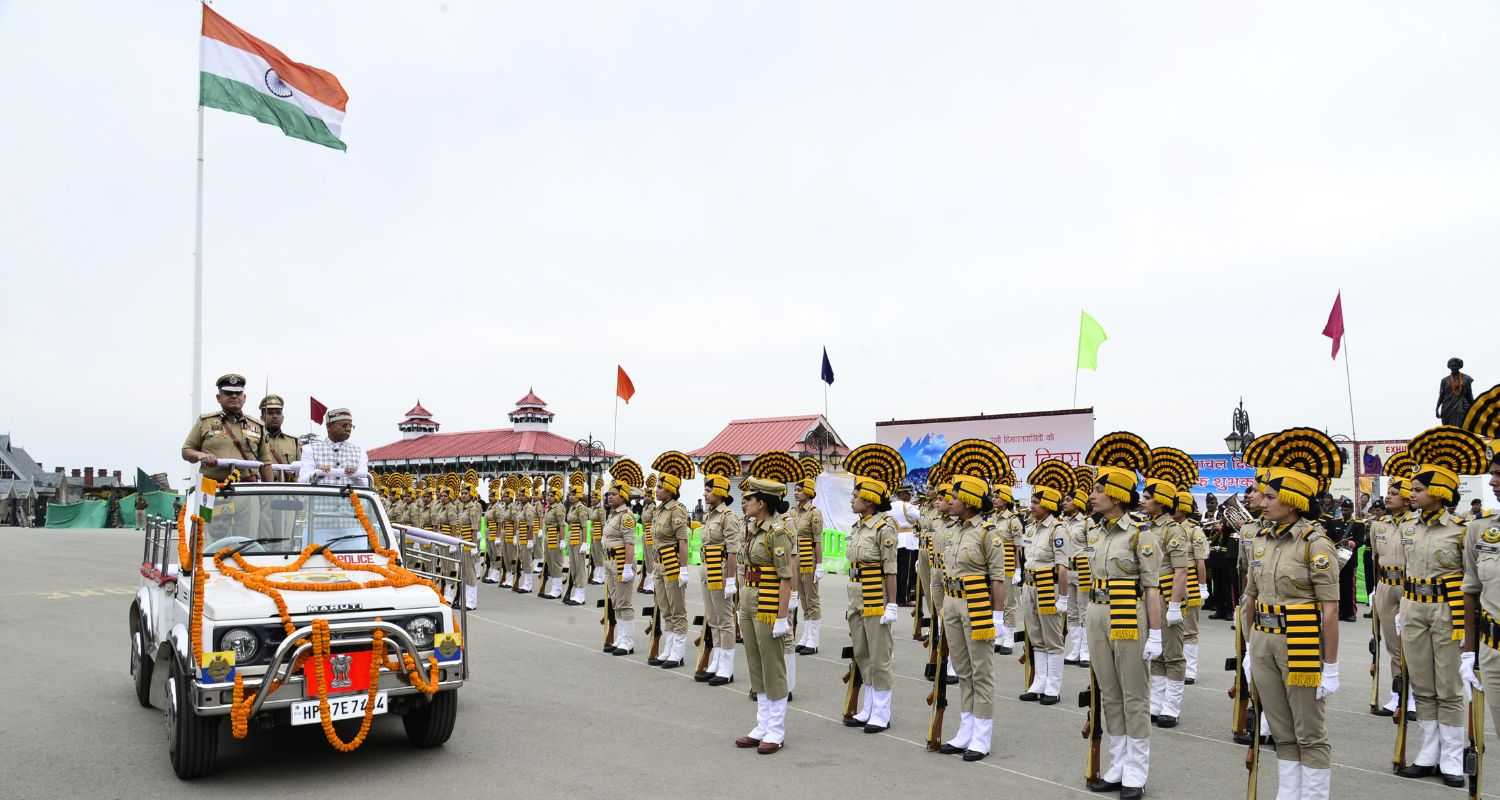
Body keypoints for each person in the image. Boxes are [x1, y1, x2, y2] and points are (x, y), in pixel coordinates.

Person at [1241, 426, 1344, 800]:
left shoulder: (1315, 545)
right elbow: (1250, 597)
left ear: (1293, 500)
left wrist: (1329, 666)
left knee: (1309, 733)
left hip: (1300, 640)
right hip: (1264, 640)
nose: (1262, 502)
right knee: (1281, 730)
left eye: (1271, 496)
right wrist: (1251, 648)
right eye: (1263, 496)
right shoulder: (1260, 539)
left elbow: (1329, 610)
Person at [1397, 424, 1487, 786]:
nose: (1412, 494)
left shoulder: (1462, 530)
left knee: (1448, 687)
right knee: (1422, 684)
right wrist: (1402, 610)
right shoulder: (1409, 527)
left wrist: (1469, 630)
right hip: (1414, 609)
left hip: (1447, 612)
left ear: (1440, 492)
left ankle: (1451, 756)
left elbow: (1471, 583)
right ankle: (1428, 753)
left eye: (1419, 489)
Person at [1082, 432, 1163, 800]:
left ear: (1115, 494)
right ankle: (1116, 764)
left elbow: (1151, 588)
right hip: (1097, 612)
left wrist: (1157, 633)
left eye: (1098, 490)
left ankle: (1136, 770)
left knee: (1134, 694)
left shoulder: (1140, 535)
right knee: (1109, 693)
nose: (1092, 495)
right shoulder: (1095, 533)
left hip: (1128, 613)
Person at [934, 439, 1009, 762]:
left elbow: (998, 579)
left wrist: (997, 616)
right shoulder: (955, 530)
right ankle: (965, 727)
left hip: (977, 604)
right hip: (952, 602)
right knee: (962, 670)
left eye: (954, 496)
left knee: (981, 671)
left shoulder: (987, 534)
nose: (949, 501)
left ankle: (982, 733)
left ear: (968, 500)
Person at [734, 462, 797, 755]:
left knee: (772, 665)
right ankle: (761, 724)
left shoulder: (777, 531)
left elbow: (786, 576)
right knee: (755, 662)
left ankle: (776, 730)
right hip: (748, 598)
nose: (744, 502)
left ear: (762, 503)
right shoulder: (752, 528)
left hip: (768, 601)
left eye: (749, 499)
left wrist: (783, 616)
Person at [842, 443, 903, 734]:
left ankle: (881, 711)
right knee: (862, 653)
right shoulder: (857, 527)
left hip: (875, 594)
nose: (852, 500)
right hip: (856, 594)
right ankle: (867, 706)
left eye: (856, 496)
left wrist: (892, 603)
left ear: (869, 499)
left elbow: (890, 569)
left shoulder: (884, 528)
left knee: (879, 656)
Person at [1141, 447, 1196, 729]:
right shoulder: (1146, 527)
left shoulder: (1173, 530)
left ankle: (1171, 707)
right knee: (1157, 652)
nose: (1142, 501)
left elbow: (1182, 569)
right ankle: (1156, 703)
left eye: (1148, 498)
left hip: (1167, 596)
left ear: (1161, 502)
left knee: (1173, 654)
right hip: (1151, 597)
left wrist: (1174, 605)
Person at [1459, 384, 1500, 746]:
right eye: (1493, 472)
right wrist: (1470, 652)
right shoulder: (1481, 531)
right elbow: (1471, 592)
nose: (1493, 480)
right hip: (1494, 653)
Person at [1018, 459, 1076, 706]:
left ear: (1048, 505)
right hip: (1030, 586)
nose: (1031, 506)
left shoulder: (1058, 529)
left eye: (1035, 502)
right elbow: (1025, 556)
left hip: (1047, 586)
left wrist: (1062, 597)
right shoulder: (1031, 528)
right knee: (1036, 636)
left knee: (1052, 638)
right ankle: (1039, 682)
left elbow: (1062, 566)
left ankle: (1053, 686)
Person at [1369, 451, 1417, 716]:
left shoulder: (1416, 524)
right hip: (1386, 585)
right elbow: (1376, 558)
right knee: (1391, 643)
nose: (1388, 497)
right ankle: (1398, 693)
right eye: (1388, 492)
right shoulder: (1379, 525)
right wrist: (1377, 588)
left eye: (1394, 493)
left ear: (1408, 498)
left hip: (1410, 586)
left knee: (1410, 642)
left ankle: (1414, 696)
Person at [698, 455, 743, 685]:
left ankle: (726, 666)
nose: (705, 494)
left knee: (725, 620)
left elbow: (733, 551)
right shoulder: (709, 516)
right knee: (713, 618)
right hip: (708, 568)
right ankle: (716, 659)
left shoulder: (728, 517)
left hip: (722, 569)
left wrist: (731, 581)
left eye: (708, 490)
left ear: (720, 493)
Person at [181, 373, 272, 482]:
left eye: (238, 393)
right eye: (228, 393)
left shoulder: (257, 426)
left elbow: (266, 463)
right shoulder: (205, 422)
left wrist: (269, 495)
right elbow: (186, 451)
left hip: (246, 491)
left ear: (244, 398)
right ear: (218, 398)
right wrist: (201, 455)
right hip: (212, 490)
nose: (234, 396)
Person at [648, 452, 694, 669]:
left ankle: (678, 651)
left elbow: (682, 542)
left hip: (673, 562)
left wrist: (683, 569)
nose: (656, 490)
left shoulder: (677, 510)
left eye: (660, 487)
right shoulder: (658, 510)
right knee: (665, 608)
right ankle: (668, 646)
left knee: (677, 609)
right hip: (658, 563)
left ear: (671, 490)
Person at [1174, 491, 1209, 684]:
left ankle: (1190, 669)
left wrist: (1202, 587)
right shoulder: (1164, 527)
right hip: (1168, 582)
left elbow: (1200, 562)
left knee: (1189, 630)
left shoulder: (1194, 530)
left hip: (1189, 583)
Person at [1063, 467, 1096, 666]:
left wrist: (1089, 568)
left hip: (1083, 569)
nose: (1064, 503)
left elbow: (1092, 549)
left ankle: (1086, 650)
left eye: (1068, 500)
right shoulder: (1062, 522)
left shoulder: (1087, 522)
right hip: (1066, 571)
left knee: (1085, 611)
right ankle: (1074, 649)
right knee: (1072, 612)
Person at [602, 477, 639, 656]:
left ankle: (628, 641)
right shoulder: (612, 514)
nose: (610, 497)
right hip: (609, 562)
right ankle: (621, 636)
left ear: (623, 496)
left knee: (624, 602)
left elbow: (629, 544)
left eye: (614, 494)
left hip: (620, 561)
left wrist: (626, 567)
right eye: (609, 494)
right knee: (616, 601)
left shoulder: (626, 517)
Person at [790, 476, 826, 655]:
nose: (796, 492)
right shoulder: (793, 512)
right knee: (802, 598)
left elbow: (818, 541)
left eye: (799, 490)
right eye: (795, 489)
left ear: (809, 492)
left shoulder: (814, 513)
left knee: (811, 599)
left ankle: (814, 639)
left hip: (808, 558)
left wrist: (819, 564)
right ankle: (806, 635)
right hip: (794, 558)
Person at [297, 408, 367, 487]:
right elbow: (302, 481)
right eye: (344, 425)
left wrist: (355, 475)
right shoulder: (310, 450)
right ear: (329, 427)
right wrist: (319, 473)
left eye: (351, 426)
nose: (348, 429)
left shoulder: (359, 452)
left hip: (351, 499)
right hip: (319, 498)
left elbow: (366, 484)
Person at [258, 394, 301, 481]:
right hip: (262, 489)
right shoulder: (256, 440)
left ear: (282, 418)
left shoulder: (294, 442)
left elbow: (301, 471)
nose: (275, 416)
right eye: (270, 413)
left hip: (287, 490)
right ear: (262, 418)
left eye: (278, 413)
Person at [891, 485, 921, 606]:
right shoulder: (907, 506)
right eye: (908, 493)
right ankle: (903, 598)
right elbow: (920, 517)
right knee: (907, 572)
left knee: (896, 571)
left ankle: (895, 597)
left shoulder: (890, 506)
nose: (910, 496)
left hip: (895, 539)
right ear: (902, 494)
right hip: (908, 541)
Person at [540, 482, 568, 600]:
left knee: (556, 563)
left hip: (555, 537)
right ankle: (554, 587)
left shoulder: (559, 507)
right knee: (550, 563)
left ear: (556, 496)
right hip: (548, 536)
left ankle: (557, 590)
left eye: (551, 496)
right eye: (548, 496)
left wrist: (562, 540)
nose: (548, 497)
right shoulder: (549, 508)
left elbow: (561, 525)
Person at [564, 480, 590, 605]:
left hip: (579, 538)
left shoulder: (581, 508)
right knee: (573, 566)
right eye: (570, 494)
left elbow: (584, 526)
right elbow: (569, 524)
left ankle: (581, 595)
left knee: (580, 567)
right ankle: (576, 592)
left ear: (579, 495)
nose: (570, 496)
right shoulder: (571, 508)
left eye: (573, 494)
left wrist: (585, 542)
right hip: (572, 538)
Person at [1436, 357, 1475, 426]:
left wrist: (1475, 407)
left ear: (1459, 366)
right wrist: (1437, 408)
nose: (1454, 367)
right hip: (1447, 407)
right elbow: (1441, 395)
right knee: (1448, 429)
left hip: (1461, 406)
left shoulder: (1466, 378)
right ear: (1449, 367)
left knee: (1461, 426)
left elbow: (1469, 395)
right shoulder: (1445, 380)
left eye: (1455, 366)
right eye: (1452, 366)